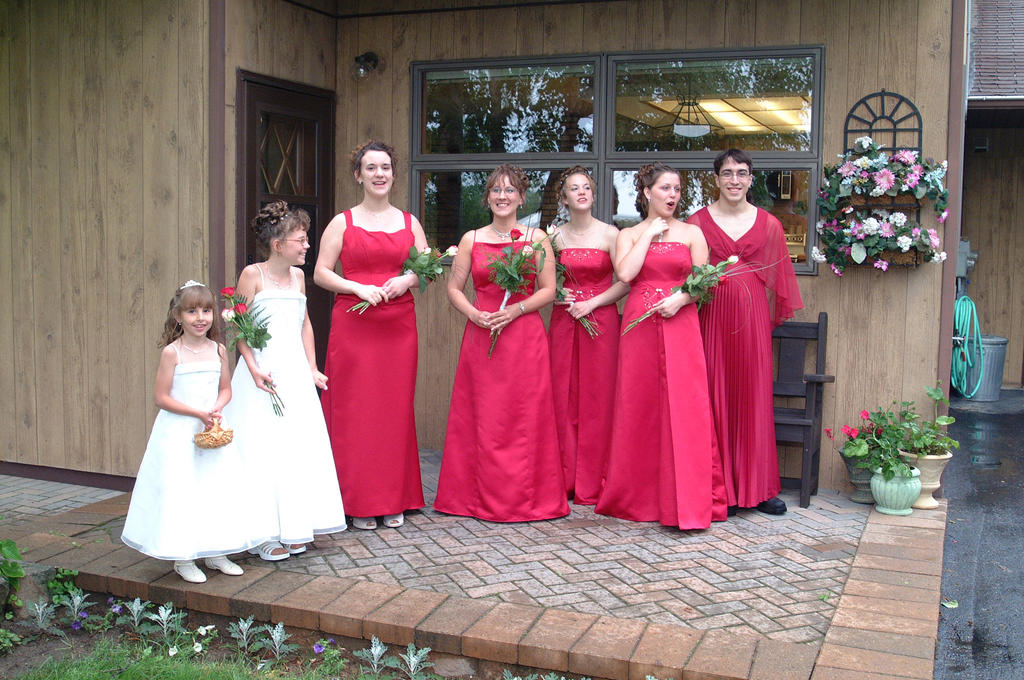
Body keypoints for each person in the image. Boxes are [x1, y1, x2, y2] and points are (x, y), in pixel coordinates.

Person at [595, 163, 728, 530]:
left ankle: (687, 498)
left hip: (680, 321)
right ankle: (637, 497)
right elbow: (625, 275)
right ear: (647, 192)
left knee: (685, 407)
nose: (673, 195)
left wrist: (682, 300)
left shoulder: (692, 233)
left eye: (677, 189)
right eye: (666, 188)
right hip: (638, 324)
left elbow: (705, 283)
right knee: (639, 405)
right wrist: (650, 234)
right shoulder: (629, 233)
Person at [435, 164, 569, 522]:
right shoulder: (471, 240)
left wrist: (517, 311)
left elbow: (549, 290)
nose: (503, 196)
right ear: (487, 198)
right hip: (482, 334)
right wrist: (475, 314)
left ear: (522, 198)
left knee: (525, 417)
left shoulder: (536, 239)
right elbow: (453, 288)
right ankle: (475, 497)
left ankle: (526, 498)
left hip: (523, 337)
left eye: (510, 191)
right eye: (496, 190)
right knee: (484, 416)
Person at [223, 201, 347, 560]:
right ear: (278, 244)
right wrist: (251, 365)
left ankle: (295, 526)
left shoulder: (297, 277)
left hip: (293, 373)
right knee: (263, 449)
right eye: (301, 239)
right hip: (262, 374)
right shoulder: (253, 275)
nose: (307, 245)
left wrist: (312, 367)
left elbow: (304, 322)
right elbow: (238, 325)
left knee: (295, 448)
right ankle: (263, 533)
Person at [121, 281, 267, 583]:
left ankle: (216, 550)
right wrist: (196, 413)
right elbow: (161, 397)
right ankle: (183, 556)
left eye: (206, 310)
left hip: (212, 428)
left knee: (214, 488)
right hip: (179, 430)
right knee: (183, 489)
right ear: (178, 316)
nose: (200, 317)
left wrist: (215, 408)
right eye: (191, 311)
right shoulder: (172, 353)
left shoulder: (217, 350)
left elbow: (226, 389)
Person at [315, 140, 426, 531]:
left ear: (393, 174)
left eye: (385, 167)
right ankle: (357, 500)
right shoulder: (342, 222)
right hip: (354, 325)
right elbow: (321, 272)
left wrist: (405, 278)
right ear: (358, 175)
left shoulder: (410, 222)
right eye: (371, 168)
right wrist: (355, 287)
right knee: (356, 410)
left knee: (393, 410)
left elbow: (425, 268)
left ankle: (393, 497)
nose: (379, 174)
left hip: (397, 326)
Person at [689, 149, 803, 515]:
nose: (734, 180)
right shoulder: (697, 223)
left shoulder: (769, 224)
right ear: (717, 179)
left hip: (752, 321)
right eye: (727, 173)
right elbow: (685, 273)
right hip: (711, 318)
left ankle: (760, 488)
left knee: (752, 397)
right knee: (715, 394)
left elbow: (779, 280)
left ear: (751, 179)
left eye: (741, 173)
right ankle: (723, 490)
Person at [548, 166, 628, 504]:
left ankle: (596, 479)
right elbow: (544, 283)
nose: (581, 192)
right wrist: (557, 294)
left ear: (594, 196)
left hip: (602, 322)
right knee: (562, 397)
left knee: (598, 398)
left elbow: (626, 281)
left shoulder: (612, 234)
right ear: (564, 198)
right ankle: (562, 477)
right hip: (564, 321)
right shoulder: (552, 236)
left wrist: (591, 303)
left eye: (586, 188)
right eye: (573, 188)